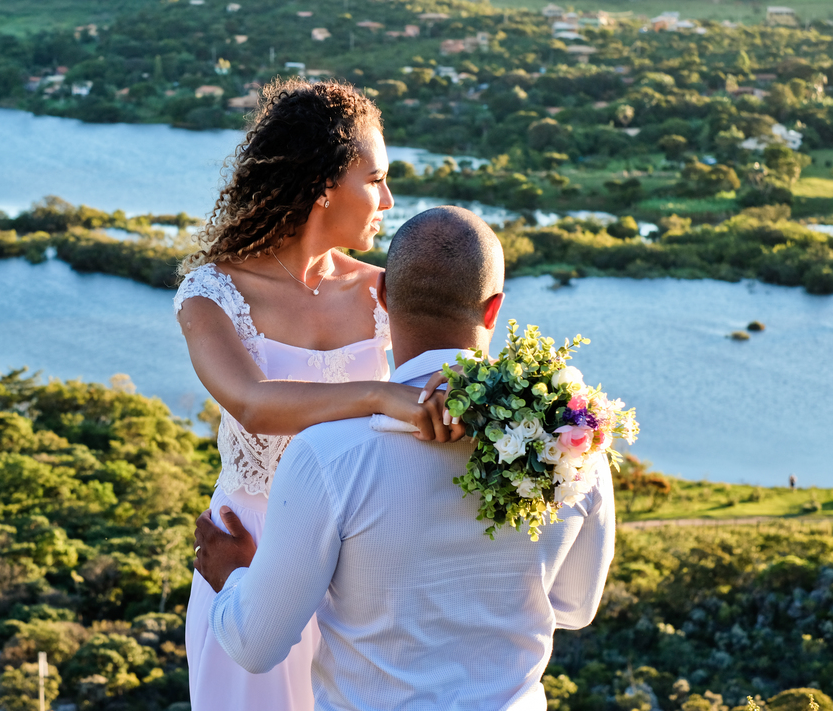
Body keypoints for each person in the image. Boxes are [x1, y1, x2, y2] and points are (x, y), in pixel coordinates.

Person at [194, 206, 616, 710]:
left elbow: (254, 644)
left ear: (384, 296)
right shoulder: (570, 441)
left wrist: (232, 576)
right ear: (493, 309)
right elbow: (575, 605)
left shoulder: (327, 455)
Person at [174, 79, 463, 711]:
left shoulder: (385, 290)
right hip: (249, 551)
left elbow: (456, 362)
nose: (389, 199)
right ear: (324, 183)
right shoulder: (212, 294)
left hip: (365, 557)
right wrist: (384, 397)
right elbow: (252, 401)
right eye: (376, 179)